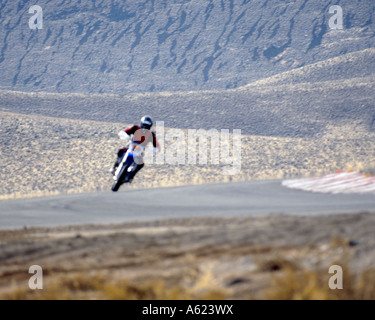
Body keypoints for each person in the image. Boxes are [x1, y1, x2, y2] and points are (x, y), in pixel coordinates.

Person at [110, 116, 160, 182]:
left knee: (141, 164)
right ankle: (115, 166)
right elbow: (125, 132)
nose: (145, 127)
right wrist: (124, 135)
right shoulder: (135, 128)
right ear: (141, 123)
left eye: (147, 125)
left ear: (150, 126)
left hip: (140, 150)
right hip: (130, 145)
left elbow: (156, 145)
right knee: (121, 150)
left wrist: (154, 149)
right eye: (144, 124)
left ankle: (131, 176)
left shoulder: (151, 134)